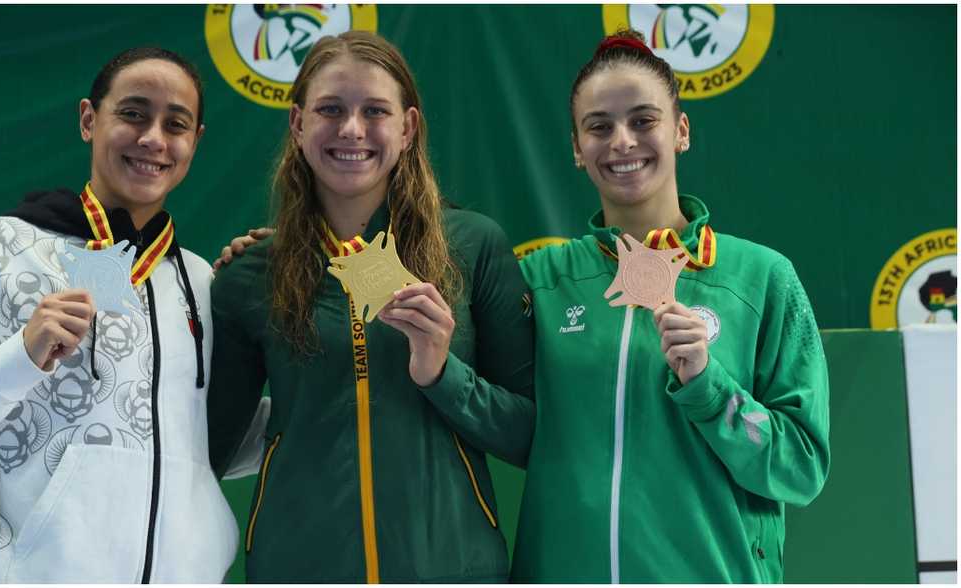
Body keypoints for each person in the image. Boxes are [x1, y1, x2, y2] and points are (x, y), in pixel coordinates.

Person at [0, 47, 266, 583]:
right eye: (133, 113)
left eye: (176, 124)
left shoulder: (200, 282)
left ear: (195, 142)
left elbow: (198, 445)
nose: (153, 138)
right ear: (88, 119)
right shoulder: (0, 247)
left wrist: (324, 403)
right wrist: (17, 361)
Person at [205, 31, 535, 583]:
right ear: (298, 125)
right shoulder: (249, 274)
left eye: (374, 111)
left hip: (450, 568)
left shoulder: (472, 246)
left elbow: (528, 436)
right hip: (297, 567)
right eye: (330, 109)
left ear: (407, 128)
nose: (352, 130)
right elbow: (207, 450)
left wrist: (441, 374)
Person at [509, 30, 830, 583]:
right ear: (576, 148)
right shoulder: (542, 281)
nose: (623, 141)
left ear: (680, 131)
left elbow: (801, 467)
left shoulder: (761, 278)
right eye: (599, 127)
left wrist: (710, 387)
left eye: (643, 120)